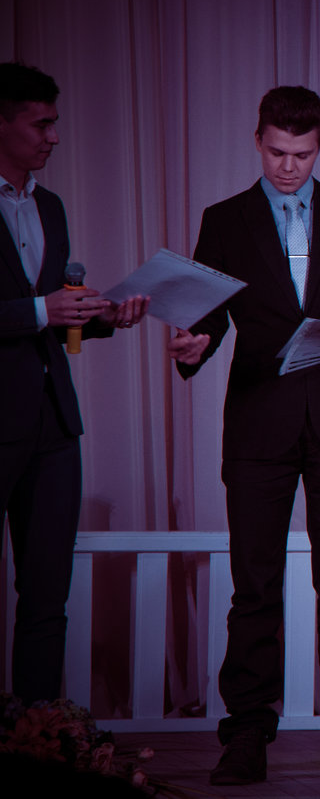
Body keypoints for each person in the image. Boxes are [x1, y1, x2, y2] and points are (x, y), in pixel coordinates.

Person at [167, 86, 320, 785]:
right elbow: (205, 318)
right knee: (254, 588)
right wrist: (193, 345)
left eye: (302, 154)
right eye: (277, 152)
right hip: (258, 424)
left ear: (319, 146)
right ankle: (246, 734)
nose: (289, 166)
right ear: (258, 141)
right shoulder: (225, 219)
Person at [0, 62, 148, 705]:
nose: (54, 137)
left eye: (54, 123)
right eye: (41, 124)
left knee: (47, 591)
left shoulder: (50, 206)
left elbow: (57, 319)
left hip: (54, 423)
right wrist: (41, 310)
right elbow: (39, 311)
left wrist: (105, 316)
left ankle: (37, 733)